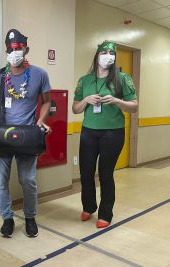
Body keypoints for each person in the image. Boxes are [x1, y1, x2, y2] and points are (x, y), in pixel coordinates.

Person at [0, 29, 51, 238]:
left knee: (28, 180)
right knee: (0, 180)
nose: (14, 52)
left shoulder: (40, 74)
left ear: (26, 49)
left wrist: (41, 120)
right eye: (10, 49)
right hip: (1, 136)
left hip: (27, 136)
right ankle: (7, 218)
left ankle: (30, 217)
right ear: (6, 50)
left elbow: (47, 101)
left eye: (19, 48)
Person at [72, 41, 138, 228]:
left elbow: (134, 106)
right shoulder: (85, 80)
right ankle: (89, 207)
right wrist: (85, 99)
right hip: (89, 132)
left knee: (105, 174)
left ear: (115, 57)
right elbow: (76, 109)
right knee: (85, 173)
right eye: (104, 52)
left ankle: (105, 213)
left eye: (111, 52)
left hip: (113, 132)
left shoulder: (123, 78)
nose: (107, 55)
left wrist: (117, 101)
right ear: (97, 55)